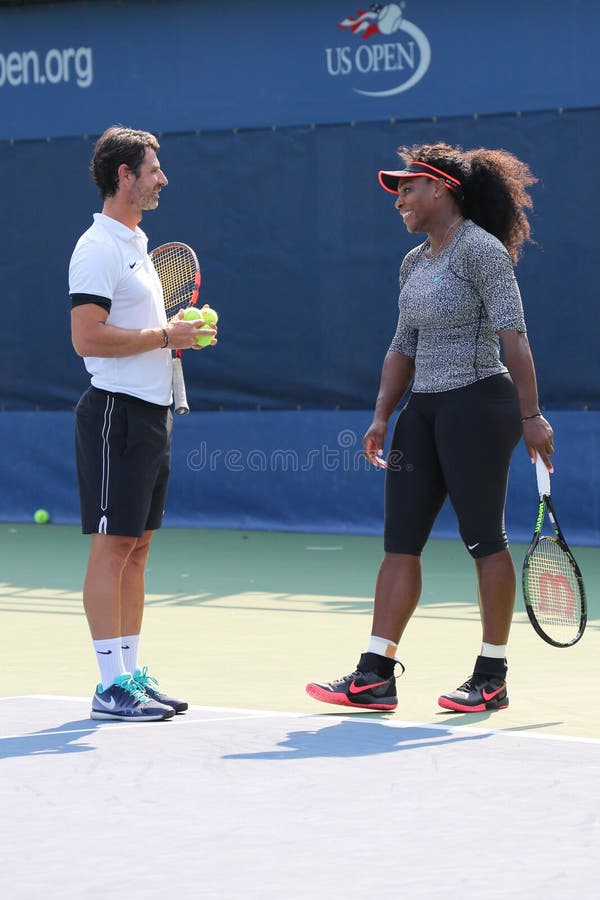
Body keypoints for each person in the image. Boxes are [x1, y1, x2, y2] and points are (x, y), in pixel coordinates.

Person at [306, 142, 554, 713]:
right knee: (400, 543)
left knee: (484, 540)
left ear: (440, 188)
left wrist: (531, 414)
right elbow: (403, 345)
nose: (399, 200)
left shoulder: (482, 252)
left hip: (479, 406)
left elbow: (513, 338)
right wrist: (381, 415)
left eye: (407, 187)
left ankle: (491, 675)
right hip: (423, 413)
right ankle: (375, 674)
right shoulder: (413, 264)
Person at [69, 125, 216, 721]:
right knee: (112, 548)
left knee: (139, 549)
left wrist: (179, 336)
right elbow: (87, 336)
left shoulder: (136, 243)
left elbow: (145, 336)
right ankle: (109, 685)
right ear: (123, 175)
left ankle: (129, 671)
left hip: (154, 414)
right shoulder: (97, 247)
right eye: (153, 169)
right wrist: (164, 334)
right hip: (115, 414)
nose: (162, 178)